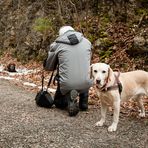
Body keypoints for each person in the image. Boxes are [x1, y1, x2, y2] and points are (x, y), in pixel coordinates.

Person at [44, 26, 93, 116]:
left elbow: (49, 67)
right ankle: (83, 103)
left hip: (67, 83)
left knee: (59, 104)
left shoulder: (56, 45)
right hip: (87, 82)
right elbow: (89, 60)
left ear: (61, 35)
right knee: (83, 73)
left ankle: (70, 99)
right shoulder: (87, 42)